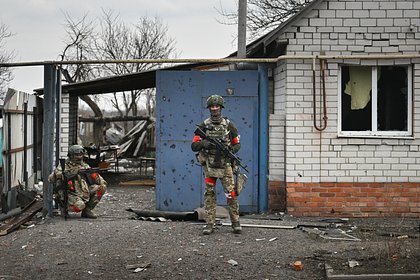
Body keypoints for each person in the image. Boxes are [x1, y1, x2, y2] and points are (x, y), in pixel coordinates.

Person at [191, 94, 242, 235]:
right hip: (210, 167)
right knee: (210, 194)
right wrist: (204, 143)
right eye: (212, 106)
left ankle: (236, 222)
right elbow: (194, 145)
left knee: (231, 194)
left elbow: (237, 144)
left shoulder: (229, 125)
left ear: (221, 107)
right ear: (209, 108)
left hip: (226, 166)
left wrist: (230, 150)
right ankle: (209, 223)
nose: (214, 109)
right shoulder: (204, 125)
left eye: (217, 106)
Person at [48, 144, 107, 219]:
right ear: (71, 155)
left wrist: (98, 179)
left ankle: (87, 210)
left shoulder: (84, 165)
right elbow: (52, 178)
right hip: (70, 192)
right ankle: (64, 207)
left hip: (83, 190)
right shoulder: (64, 166)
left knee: (101, 188)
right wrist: (71, 173)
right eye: (77, 155)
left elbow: (98, 178)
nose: (80, 157)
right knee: (79, 206)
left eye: (81, 154)